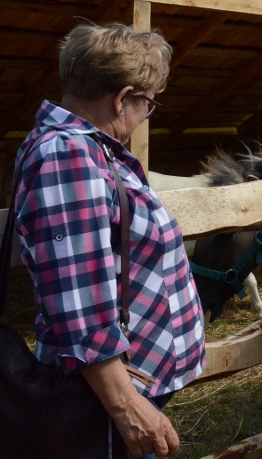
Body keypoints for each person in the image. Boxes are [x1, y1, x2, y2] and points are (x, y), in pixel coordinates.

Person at [12, 23, 206, 458]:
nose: (145, 114)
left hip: (131, 380)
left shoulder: (87, 150)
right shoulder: (66, 157)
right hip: (109, 394)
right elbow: (77, 297)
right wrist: (126, 404)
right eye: (149, 103)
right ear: (122, 98)